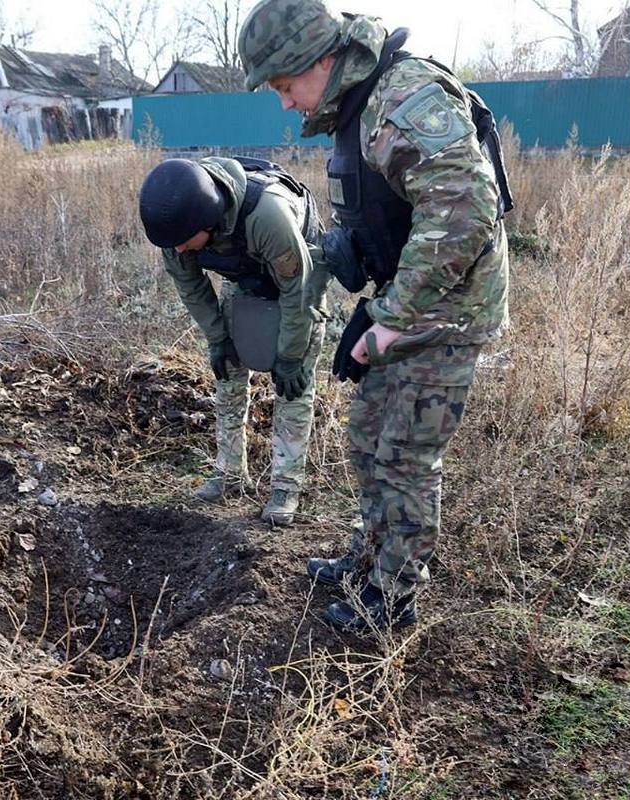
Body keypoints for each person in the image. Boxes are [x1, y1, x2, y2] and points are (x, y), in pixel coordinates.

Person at [238, 0, 513, 631]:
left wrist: (390, 317)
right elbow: (384, 207)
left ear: (321, 61)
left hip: (446, 313)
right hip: (405, 302)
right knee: (367, 437)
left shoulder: (405, 97)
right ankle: (370, 557)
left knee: (405, 456)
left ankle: (393, 597)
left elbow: (466, 211)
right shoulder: (355, 107)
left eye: (284, 86)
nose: (284, 103)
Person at [138, 156, 328, 526]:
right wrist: (218, 339)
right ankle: (228, 474)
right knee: (227, 372)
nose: (178, 251)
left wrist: (289, 356)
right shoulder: (176, 226)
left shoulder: (267, 215)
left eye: (182, 243)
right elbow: (191, 287)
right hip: (244, 273)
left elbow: (297, 289)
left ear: (207, 221)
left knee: (293, 385)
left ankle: (285, 488)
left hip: (300, 276)